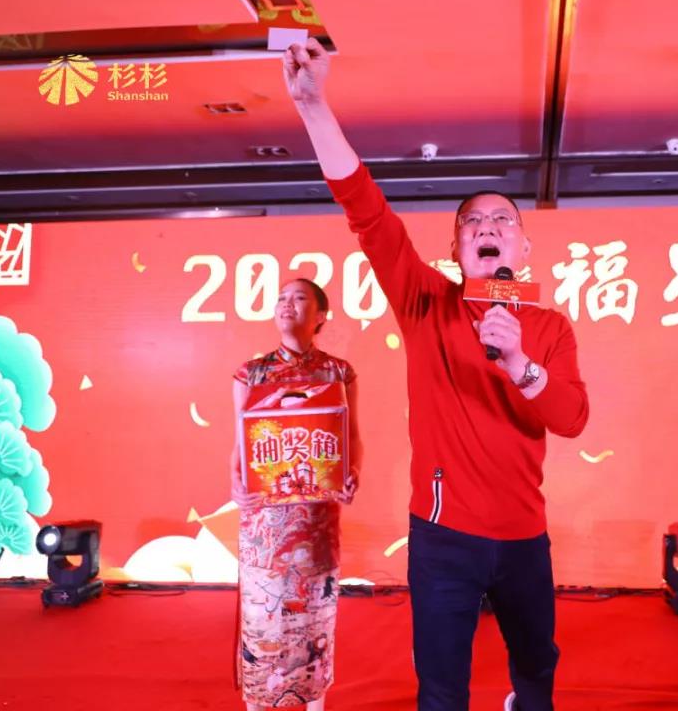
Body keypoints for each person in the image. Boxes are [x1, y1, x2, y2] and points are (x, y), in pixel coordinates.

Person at [283, 39, 589, 711]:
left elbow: (571, 419)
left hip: (523, 535)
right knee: (443, 688)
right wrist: (313, 106)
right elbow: (367, 212)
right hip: (443, 538)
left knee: (537, 669)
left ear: (523, 246)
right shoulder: (426, 301)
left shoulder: (549, 328)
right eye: (471, 222)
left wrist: (519, 363)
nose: (487, 226)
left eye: (502, 220)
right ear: (455, 248)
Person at [230, 277, 362, 711]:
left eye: (300, 298)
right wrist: (236, 483)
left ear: (320, 315)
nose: (287, 304)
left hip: (317, 522)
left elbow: (352, 437)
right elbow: (240, 444)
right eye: (282, 298)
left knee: (314, 624)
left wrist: (352, 473)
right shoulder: (251, 374)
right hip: (264, 527)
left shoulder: (338, 373)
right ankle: (257, 704)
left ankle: (314, 703)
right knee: (262, 625)